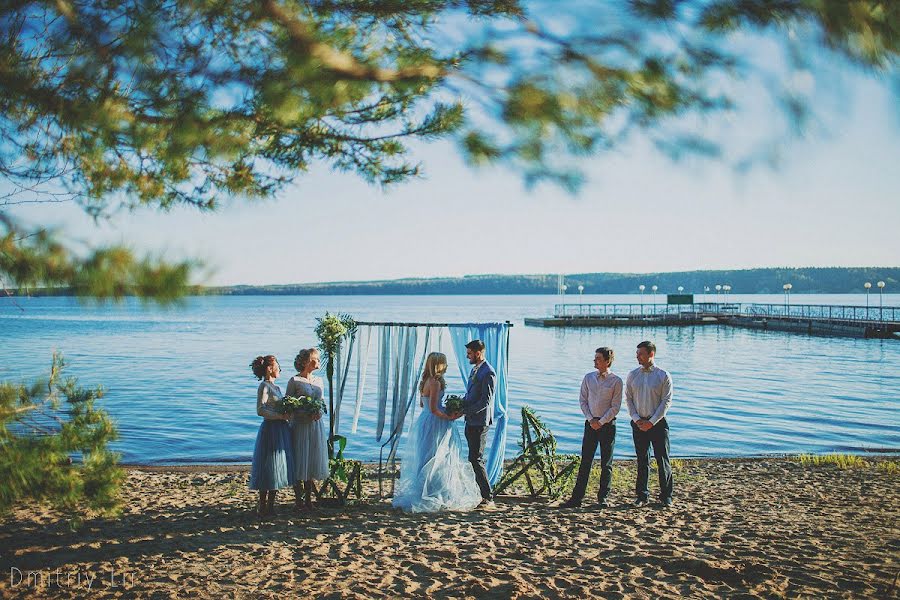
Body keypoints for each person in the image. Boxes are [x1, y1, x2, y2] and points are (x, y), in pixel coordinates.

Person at [392, 352, 482, 512]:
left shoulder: (426, 381)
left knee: (427, 455)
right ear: (439, 364)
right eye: (444, 363)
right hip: (435, 423)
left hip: (425, 421)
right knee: (435, 456)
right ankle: (432, 492)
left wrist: (445, 409)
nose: (446, 365)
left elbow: (424, 405)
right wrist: (449, 416)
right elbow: (434, 409)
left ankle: (428, 490)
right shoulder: (435, 382)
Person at [558, 346, 622, 509]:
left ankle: (603, 498)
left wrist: (601, 422)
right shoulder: (588, 378)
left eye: (598, 358)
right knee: (585, 461)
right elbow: (583, 401)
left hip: (607, 425)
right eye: (595, 358)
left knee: (606, 463)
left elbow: (615, 406)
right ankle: (576, 498)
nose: (595, 361)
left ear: (607, 361)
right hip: (590, 424)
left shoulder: (616, 381)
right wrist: (591, 419)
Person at [626, 340, 674, 508]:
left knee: (663, 459)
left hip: (658, 423)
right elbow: (629, 399)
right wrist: (636, 418)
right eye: (637, 353)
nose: (637, 356)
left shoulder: (663, 375)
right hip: (638, 422)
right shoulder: (633, 375)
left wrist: (652, 422)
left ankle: (666, 495)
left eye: (641, 354)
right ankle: (642, 495)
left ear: (651, 354)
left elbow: (666, 402)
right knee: (642, 460)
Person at [248, 355, 295, 518]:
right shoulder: (264, 386)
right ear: (269, 369)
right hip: (271, 429)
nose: (279, 369)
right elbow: (260, 410)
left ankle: (271, 505)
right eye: (277, 366)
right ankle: (262, 505)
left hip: (281, 428)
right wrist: (279, 416)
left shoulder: (278, 388)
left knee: (278, 465)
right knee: (268, 464)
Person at [453, 339, 497, 507]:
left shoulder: (488, 372)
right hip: (471, 420)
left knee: (476, 458)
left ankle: (488, 497)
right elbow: (471, 395)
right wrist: (459, 404)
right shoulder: (475, 369)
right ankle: (484, 495)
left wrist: (465, 411)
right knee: (473, 458)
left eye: (469, 353)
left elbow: (485, 401)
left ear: (478, 353)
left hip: (480, 422)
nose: (467, 356)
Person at [286, 348, 329, 512]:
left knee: (311, 460)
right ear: (305, 362)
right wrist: (300, 412)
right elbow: (288, 404)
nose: (318, 361)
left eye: (318, 359)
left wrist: (318, 412)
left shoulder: (319, 381)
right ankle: (298, 500)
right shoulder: (294, 381)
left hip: (315, 425)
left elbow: (322, 402)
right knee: (299, 459)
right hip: (300, 424)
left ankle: (309, 500)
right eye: (314, 359)